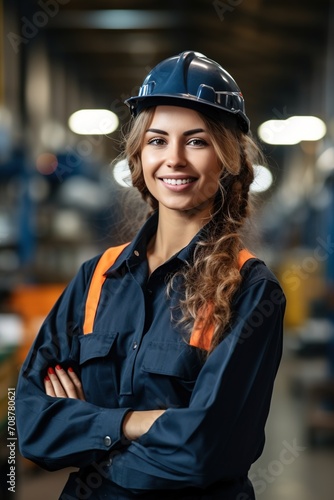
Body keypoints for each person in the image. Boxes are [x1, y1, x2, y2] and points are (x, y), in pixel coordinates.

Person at [16, 51, 286, 499]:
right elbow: (24, 424)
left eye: (196, 141)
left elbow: (205, 450)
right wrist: (135, 423)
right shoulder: (96, 278)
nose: (174, 159)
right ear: (138, 155)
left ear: (228, 158)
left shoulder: (251, 290)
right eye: (158, 140)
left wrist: (88, 434)